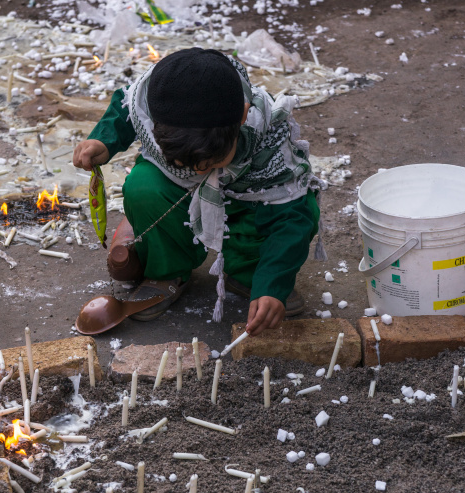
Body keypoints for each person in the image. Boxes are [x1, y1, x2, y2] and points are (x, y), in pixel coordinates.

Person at [73, 48, 323, 336]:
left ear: (241, 116)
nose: (202, 173)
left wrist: (273, 286)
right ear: (156, 125)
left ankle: (249, 273)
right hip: (174, 190)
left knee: (290, 210)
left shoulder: (269, 143)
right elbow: (126, 106)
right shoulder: (151, 97)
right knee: (143, 187)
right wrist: (104, 141)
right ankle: (168, 270)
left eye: (214, 161)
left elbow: (291, 219)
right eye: (186, 163)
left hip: (244, 196)